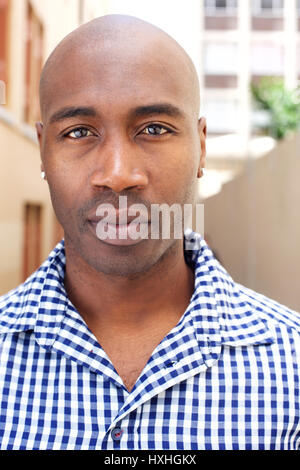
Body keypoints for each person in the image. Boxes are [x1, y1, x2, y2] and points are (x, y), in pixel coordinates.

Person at [0, 15, 299, 451]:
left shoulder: (291, 365)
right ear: (44, 149)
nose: (118, 175)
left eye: (154, 129)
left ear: (200, 146)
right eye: (79, 132)